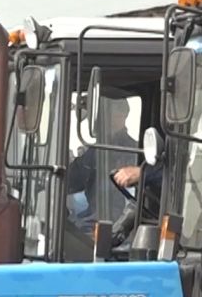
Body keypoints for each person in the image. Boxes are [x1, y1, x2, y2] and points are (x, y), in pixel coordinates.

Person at [65, 96, 160, 231]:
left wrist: (141, 173)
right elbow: (72, 181)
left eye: (109, 113)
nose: (100, 120)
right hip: (92, 223)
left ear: (122, 115)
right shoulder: (94, 152)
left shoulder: (136, 151)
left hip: (123, 228)